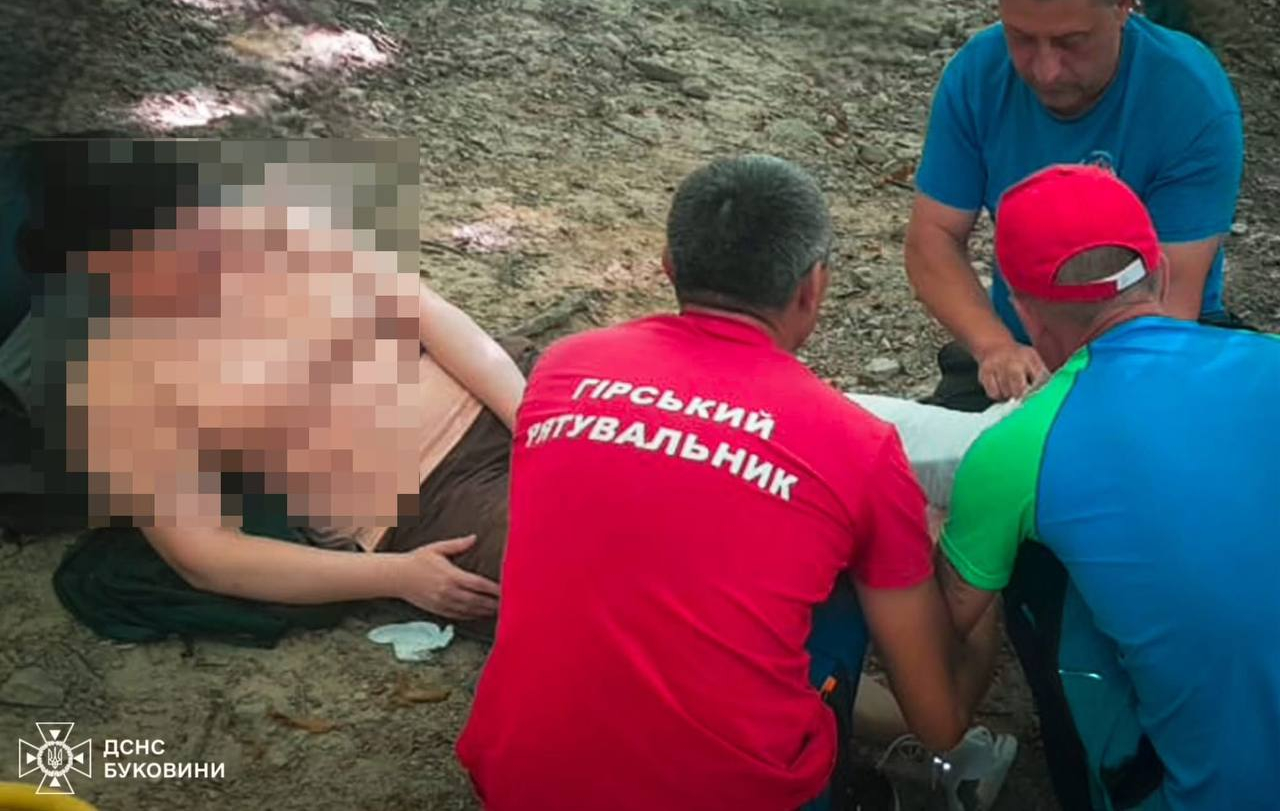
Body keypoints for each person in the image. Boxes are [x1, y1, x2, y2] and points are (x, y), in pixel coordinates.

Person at [458, 155, 999, 811]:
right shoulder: (858, 445)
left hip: (522, 779)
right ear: (814, 287)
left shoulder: (563, 369)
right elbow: (940, 720)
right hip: (741, 795)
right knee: (853, 583)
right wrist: (982, 562)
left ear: (669, 266)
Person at [4, 134, 517, 633]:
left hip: (499, 393)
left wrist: (529, 418)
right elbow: (203, 554)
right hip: (433, 498)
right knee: (554, 555)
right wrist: (399, 576)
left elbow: (427, 314)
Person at [935, 164, 1280, 811]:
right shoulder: (1271, 357)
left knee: (1037, 566)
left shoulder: (1022, 445)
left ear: (1027, 317)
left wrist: (932, 531)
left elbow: (946, 620)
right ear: (1163, 274)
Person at [905, 0, 1244, 411]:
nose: (1045, 70)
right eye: (1021, 38)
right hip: (1024, 346)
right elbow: (932, 238)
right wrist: (994, 346)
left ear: (1124, 2)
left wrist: (1077, 404)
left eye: (1071, 42)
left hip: (1162, 343)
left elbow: (1172, 296)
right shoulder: (977, 75)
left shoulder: (1190, 99)